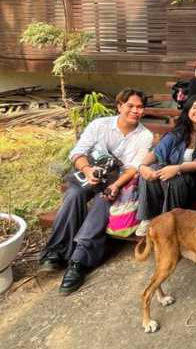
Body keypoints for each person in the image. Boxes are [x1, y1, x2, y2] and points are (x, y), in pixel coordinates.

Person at [39, 88, 153, 294]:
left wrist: (116, 185)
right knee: (74, 195)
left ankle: (79, 261)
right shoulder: (100, 125)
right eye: (130, 106)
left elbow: (134, 168)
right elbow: (78, 152)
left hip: (120, 179)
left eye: (140, 107)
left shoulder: (144, 135)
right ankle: (56, 250)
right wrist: (87, 169)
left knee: (104, 200)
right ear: (119, 106)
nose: (135, 110)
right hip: (91, 172)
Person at [135, 95, 196, 236]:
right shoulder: (178, 132)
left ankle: (168, 225)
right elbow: (156, 153)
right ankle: (148, 218)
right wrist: (142, 167)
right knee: (151, 171)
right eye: (195, 107)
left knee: (173, 180)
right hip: (170, 175)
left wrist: (177, 168)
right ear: (188, 110)